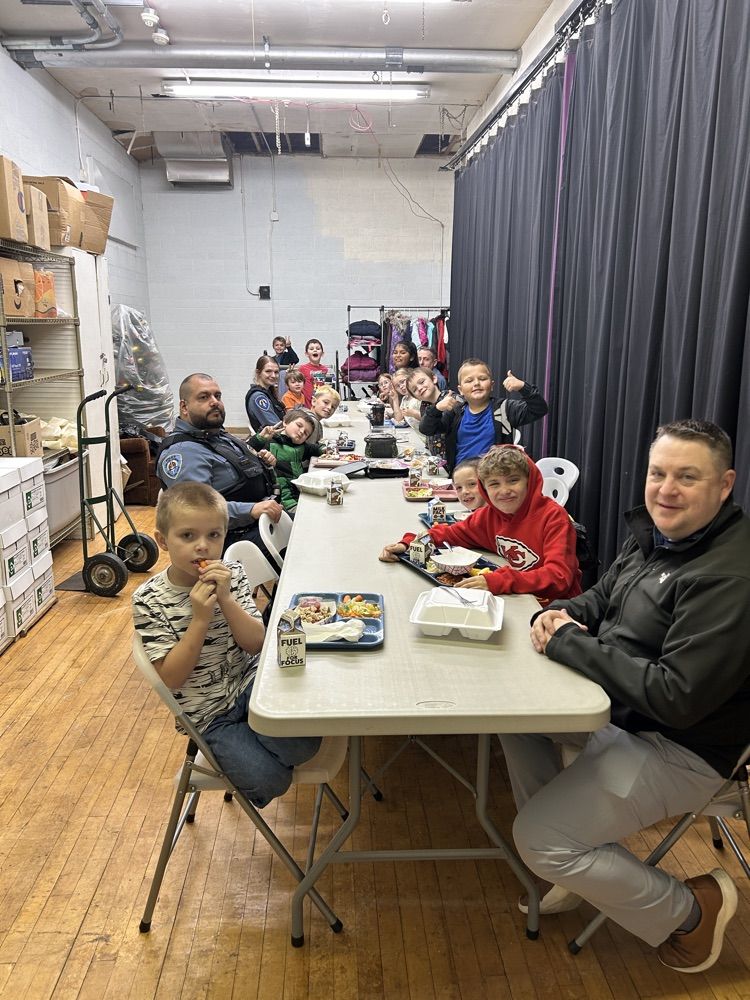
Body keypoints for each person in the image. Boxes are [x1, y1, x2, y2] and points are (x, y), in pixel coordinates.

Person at [499, 419, 750, 973]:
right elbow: (601, 597)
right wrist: (557, 614)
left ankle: (691, 912)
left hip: (680, 746)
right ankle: (574, 858)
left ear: (725, 485)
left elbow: (677, 697)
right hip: (620, 709)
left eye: (688, 477)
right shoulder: (662, 537)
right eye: (658, 473)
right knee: (513, 718)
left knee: (539, 840)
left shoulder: (729, 575)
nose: (667, 489)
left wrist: (567, 643)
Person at [133, 482, 321, 808]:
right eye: (187, 536)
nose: (202, 547)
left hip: (250, 686)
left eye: (214, 535)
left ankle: (260, 741)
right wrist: (200, 619)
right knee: (269, 779)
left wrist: (226, 599)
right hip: (209, 716)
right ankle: (254, 746)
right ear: (163, 541)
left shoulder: (231, 573)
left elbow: (256, 644)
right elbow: (173, 679)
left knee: (306, 744)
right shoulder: (149, 600)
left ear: (225, 534)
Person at [380, 445, 581, 603]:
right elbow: (447, 534)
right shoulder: (488, 516)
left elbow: (559, 577)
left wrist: (501, 580)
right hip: (513, 598)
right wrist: (408, 544)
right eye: (494, 484)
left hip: (553, 606)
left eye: (513, 480)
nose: (504, 491)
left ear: (530, 481)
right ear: (485, 488)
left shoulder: (554, 518)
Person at [157, 374, 283, 555]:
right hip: (229, 541)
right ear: (184, 406)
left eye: (218, 396)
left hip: (260, 523)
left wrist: (261, 460)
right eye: (204, 397)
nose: (214, 402)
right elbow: (195, 510)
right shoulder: (184, 451)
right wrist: (251, 510)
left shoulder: (215, 435)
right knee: (307, 544)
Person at [420, 359, 548, 475]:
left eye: (482, 379)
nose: (476, 383)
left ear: (492, 385)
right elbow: (427, 429)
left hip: (493, 480)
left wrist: (523, 388)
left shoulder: (505, 409)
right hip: (462, 479)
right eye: (469, 381)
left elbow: (539, 410)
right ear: (460, 390)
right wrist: (436, 408)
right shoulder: (455, 413)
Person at [248, 410, 322, 515]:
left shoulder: (300, 446)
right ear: (285, 422)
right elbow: (247, 451)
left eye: (306, 433)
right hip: (283, 502)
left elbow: (315, 448)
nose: (301, 431)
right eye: (299, 425)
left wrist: (325, 448)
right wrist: (260, 439)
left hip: (299, 495)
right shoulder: (269, 442)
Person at [406, 366, 448, 457]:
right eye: (415, 390)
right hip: (434, 457)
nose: (420, 388)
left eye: (422, 382)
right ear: (415, 397)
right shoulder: (424, 406)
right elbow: (425, 429)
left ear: (434, 378)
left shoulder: (448, 399)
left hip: (451, 459)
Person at [245, 355, 286, 432]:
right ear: (258, 372)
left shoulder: (269, 393)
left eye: (276, 372)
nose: (273, 375)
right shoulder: (258, 397)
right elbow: (276, 427)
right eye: (268, 371)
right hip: (273, 441)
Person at [298, 339, 329, 407]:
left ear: (322, 353)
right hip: (307, 404)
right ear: (306, 354)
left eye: (318, 349)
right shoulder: (302, 369)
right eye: (311, 349)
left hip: (319, 401)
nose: (315, 350)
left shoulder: (324, 369)